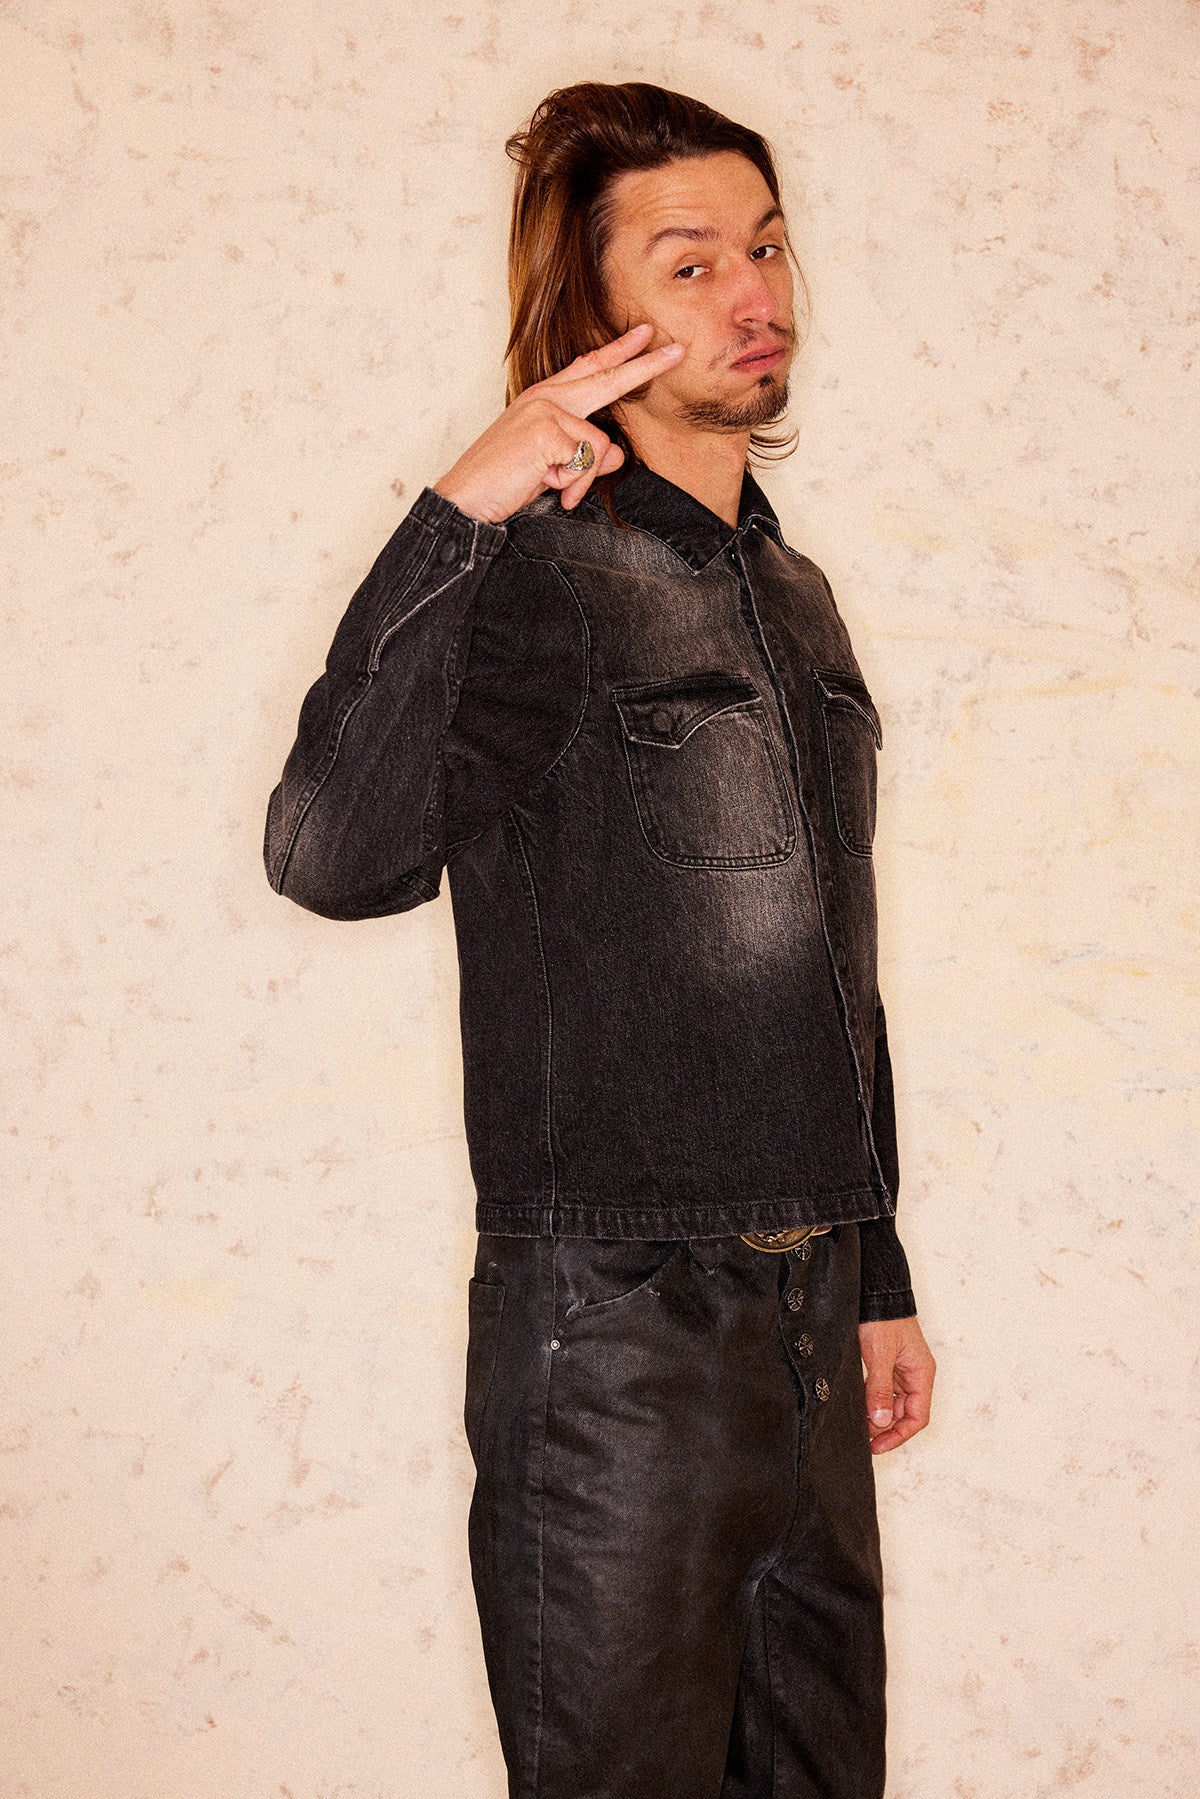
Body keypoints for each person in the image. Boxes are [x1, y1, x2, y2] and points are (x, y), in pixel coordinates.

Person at [264, 79, 936, 1799]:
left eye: (765, 247)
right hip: (618, 1330)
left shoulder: (793, 596)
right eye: (690, 263)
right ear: (592, 310)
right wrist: (458, 512)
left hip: (813, 1312)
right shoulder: (533, 579)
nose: (755, 294)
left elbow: (829, 957)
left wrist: (877, 1276)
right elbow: (331, 858)